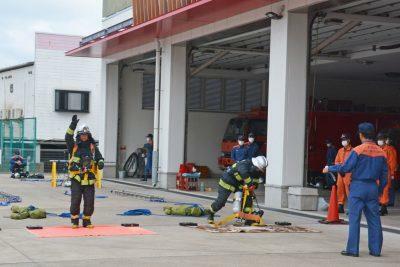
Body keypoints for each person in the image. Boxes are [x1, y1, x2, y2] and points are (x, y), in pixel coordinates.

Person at [323, 122, 387, 257]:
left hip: (358, 187)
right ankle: (375, 250)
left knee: (354, 219)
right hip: (372, 188)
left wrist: (330, 168)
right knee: (374, 220)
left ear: (361, 135)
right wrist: (379, 191)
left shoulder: (357, 150)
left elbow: (346, 167)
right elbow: (385, 176)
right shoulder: (382, 152)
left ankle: (353, 249)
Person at [66, 115, 104, 229]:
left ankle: (87, 220)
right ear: (79, 135)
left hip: (89, 180)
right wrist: (73, 125)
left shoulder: (93, 147)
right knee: (75, 200)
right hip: (76, 179)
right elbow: (68, 137)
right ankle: (75, 221)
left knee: (89, 201)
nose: (84, 136)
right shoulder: (74, 146)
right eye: (82, 134)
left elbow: (99, 157)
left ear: (88, 135)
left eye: (86, 135)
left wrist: (101, 162)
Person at [205, 156, 267, 224]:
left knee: (248, 198)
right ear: (255, 164)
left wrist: (254, 185)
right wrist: (250, 184)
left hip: (238, 184)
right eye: (259, 168)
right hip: (227, 181)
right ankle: (211, 213)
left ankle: (247, 216)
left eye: (261, 169)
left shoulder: (256, 169)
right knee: (221, 202)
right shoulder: (245, 164)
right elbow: (243, 173)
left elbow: (256, 179)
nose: (260, 170)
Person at [377, 133, 397, 215]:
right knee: (379, 189)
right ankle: (382, 206)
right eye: (378, 139)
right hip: (378, 172)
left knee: (385, 190)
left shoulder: (389, 149)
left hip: (386, 172)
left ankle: (383, 207)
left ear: (385, 140)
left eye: (381, 139)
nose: (379, 141)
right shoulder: (378, 149)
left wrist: (392, 174)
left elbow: (392, 162)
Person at [335, 134, 353, 213]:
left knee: (349, 190)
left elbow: (353, 163)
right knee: (340, 189)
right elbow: (336, 161)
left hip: (349, 173)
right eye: (342, 140)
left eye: (344, 139)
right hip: (340, 173)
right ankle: (340, 205)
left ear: (348, 140)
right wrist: (340, 169)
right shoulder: (340, 151)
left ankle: (351, 208)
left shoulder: (353, 151)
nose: (343, 141)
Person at [386, 136, 398, 207]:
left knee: (390, 187)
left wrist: (392, 173)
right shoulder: (388, 148)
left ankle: (390, 202)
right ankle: (388, 201)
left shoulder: (391, 149)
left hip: (390, 171)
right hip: (388, 171)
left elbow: (392, 162)